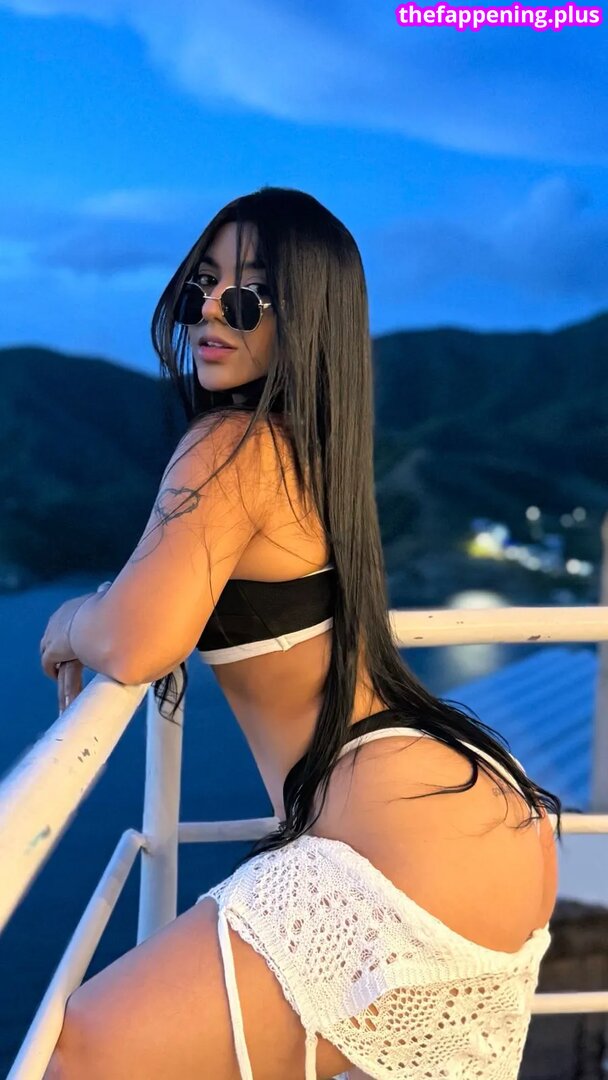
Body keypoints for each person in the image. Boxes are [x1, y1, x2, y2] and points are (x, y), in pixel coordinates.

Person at [40, 186, 562, 1080]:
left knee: (81, 1049)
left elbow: (135, 641)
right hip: (473, 826)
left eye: (248, 294)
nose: (213, 309)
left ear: (305, 319)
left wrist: (65, 621)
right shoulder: (315, 453)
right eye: (201, 285)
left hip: (402, 854)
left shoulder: (232, 446)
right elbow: (159, 588)